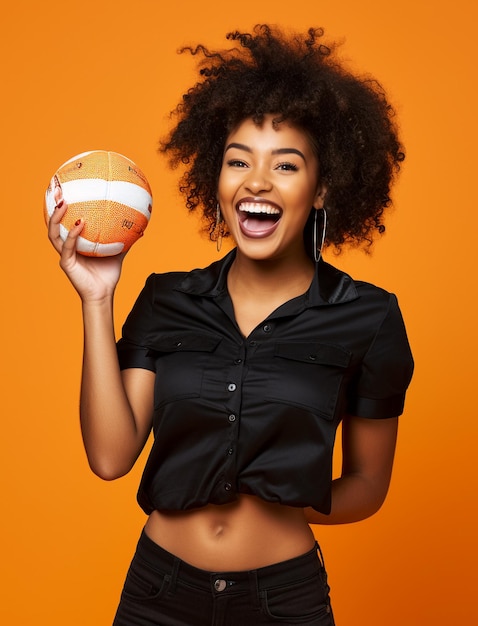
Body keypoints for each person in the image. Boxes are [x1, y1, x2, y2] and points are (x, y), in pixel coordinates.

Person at [48, 24, 414, 626]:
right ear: (215, 180)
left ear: (322, 188)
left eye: (286, 165)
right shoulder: (166, 299)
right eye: (237, 161)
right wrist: (97, 299)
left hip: (284, 600)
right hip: (157, 594)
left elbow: (369, 485)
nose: (256, 182)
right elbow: (111, 457)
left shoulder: (368, 317)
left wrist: (275, 499)